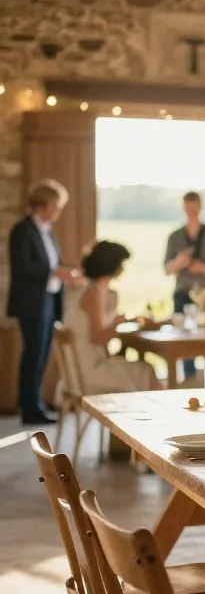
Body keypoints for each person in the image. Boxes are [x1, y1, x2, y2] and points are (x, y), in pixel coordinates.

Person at [6, 179, 80, 424]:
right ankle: (29, 407)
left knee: (43, 353)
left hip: (48, 299)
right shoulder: (22, 230)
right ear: (46, 204)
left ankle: (35, 404)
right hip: (31, 302)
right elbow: (24, 268)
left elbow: (50, 264)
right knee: (34, 353)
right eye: (57, 206)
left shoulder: (46, 230)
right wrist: (57, 273)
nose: (58, 212)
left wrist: (62, 275)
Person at [62, 241, 160, 394]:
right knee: (147, 371)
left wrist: (122, 321)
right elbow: (98, 337)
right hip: (89, 372)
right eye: (121, 263)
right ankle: (157, 416)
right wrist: (116, 324)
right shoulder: (95, 291)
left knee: (141, 368)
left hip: (79, 369)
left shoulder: (89, 288)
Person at [163, 190, 205, 381]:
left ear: (200, 208)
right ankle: (188, 379)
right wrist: (179, 263)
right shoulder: (174, 237)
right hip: (182, 293)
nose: (191, 213)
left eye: (195, 209)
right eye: (188, 209)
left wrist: (201, 267)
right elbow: (167, 268)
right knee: (184, 339)